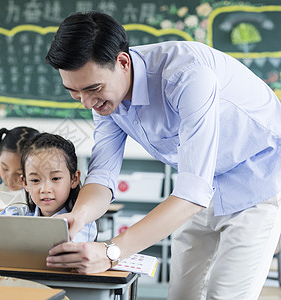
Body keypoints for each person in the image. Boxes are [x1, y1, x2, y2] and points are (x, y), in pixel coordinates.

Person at [44, 11, 281, 300]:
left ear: (122, 62)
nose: (86, 103)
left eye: (93, 89)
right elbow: (103, 175)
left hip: (257, 179)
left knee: (225, 295)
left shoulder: (186, 75)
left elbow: (192, 193)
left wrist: (111, 251)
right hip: (199, 185)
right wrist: (78, 216)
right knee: (182, 295)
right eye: (74, 92)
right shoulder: (103, 100)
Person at [0, 133, 97, 248]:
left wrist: (6, 236)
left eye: (55, 178)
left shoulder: (81, 221)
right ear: (25, 182)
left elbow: (59, 248)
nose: (45, 189)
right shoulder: (19, 213)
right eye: (35, 181)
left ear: (74, 179)